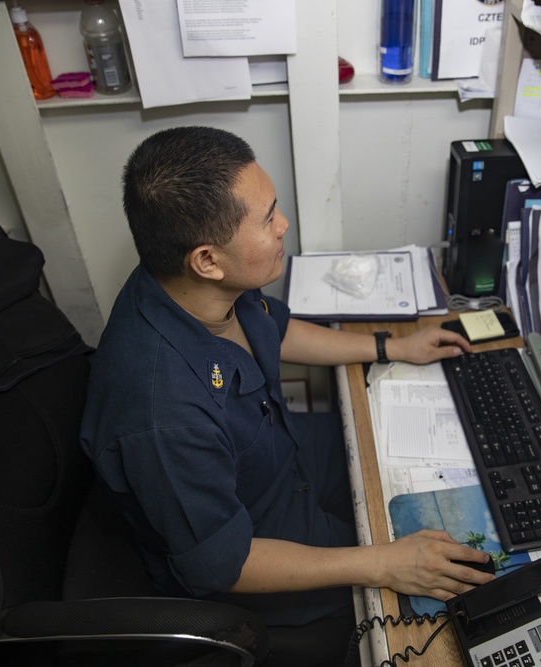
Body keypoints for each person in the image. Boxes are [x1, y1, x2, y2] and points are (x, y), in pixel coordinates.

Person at [79, 126, 494, 635]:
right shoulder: (162, 414)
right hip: (260, 551)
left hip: (281, 456)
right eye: (267, 218)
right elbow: (224, 563)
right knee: (442, 591)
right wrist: (383, 563)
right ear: (207, 260)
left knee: (436, 472)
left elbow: (274, 330)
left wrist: (391, 347)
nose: (284, 224)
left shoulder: (192, 284)